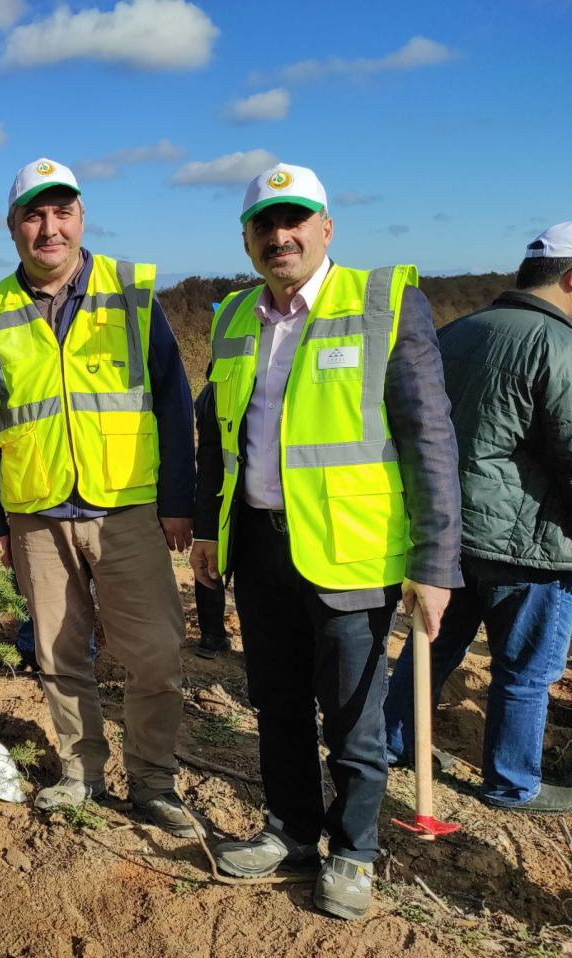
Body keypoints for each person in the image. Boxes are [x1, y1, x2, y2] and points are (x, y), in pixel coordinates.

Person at [190, 164, 461, 921]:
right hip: (261, 547)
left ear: (327, 226)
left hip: (352, 552)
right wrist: (214, 531)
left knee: (350, 718)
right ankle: (291, 831)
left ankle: (355, 851)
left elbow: (429, 438)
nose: (282, 236)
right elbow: (221, 438)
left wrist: (435, 564)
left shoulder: (384, 304)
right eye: (265, 225)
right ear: (247, 239)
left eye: (296, 220)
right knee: (274, 703)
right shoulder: (235, 317)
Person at [0, 158, 199, 837]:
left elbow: (172, 398)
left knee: (154, 653)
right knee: (60, 656)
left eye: (61, 212)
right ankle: (80, 772)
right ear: (13, 228)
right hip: (36, 511)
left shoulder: (130, 293)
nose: (49, 228)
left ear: (81, 219)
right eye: (34, 215)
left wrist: (178, 499)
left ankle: (154, 781)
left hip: (127, 506)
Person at [385, 222, 572, 813]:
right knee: (524, 670)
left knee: (434, 646)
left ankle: (392, 743)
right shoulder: (560, 347)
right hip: (529, 546)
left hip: (445, 536)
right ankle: (512, 784)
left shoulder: (455, 331)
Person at [192, 385, 230, 659]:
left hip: (214, 491)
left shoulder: (209, 395)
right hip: (246, 495)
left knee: (210, 562)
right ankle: (212, 634)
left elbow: (205, 455)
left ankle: (211, 635)